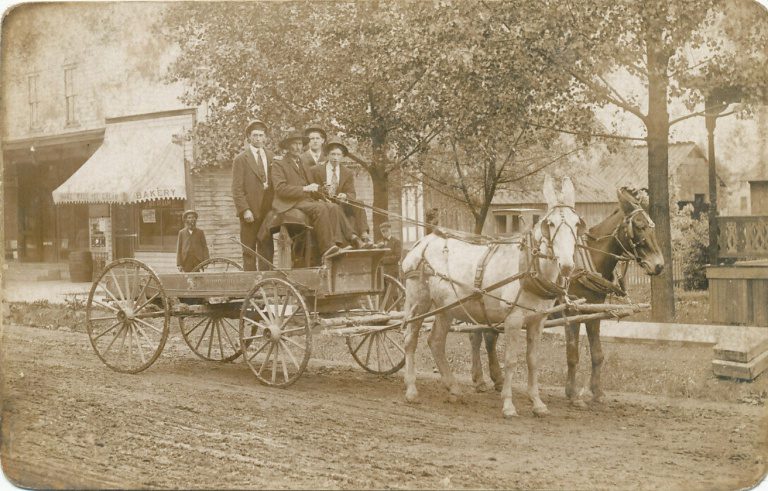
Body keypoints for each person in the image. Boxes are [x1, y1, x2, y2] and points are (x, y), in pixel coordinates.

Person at [271, 130, 347, 257]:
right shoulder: (279, 164)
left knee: (333, 207)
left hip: (305, 200)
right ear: (287, 147)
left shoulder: (302, 162)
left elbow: (312, 186)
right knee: (320, 208)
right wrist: (305, 189)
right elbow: (280, 189)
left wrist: (323, 192)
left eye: (300, 144)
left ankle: (337, 244)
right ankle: (326, 249)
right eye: (294, 144)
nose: (297, 147)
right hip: (289, 202)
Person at [310, 138, 372, 248]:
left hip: (342, 203)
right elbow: (312, 190)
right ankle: (353, 237)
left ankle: (364, 235)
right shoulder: (316, 170)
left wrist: (345, 196)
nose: (335, 158)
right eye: (333, 154)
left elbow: (352, 193)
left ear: (342, 156)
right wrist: (322, 194)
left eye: (338, 155)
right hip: (325, 205)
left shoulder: (347, 172)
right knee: (334, 207)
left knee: (359, 202)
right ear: (327, 155)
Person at [232, 120, 275, 271]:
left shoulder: (272, 157)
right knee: (249, 249)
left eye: (261, 135)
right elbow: (237, 189)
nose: (258, 138)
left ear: (265, 137)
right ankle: (251, 285)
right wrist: (245, 210)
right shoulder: (241, 159)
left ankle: (267, 282)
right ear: (249, 137)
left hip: (268, 211)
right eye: (255, 135)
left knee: (266, 247)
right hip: (250, 211)